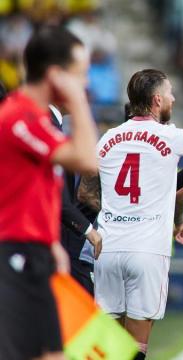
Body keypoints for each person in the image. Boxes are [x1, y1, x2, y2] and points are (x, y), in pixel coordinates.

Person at [77, 69, 183, 359]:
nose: (173, 98)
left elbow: (85, 193)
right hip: (146, 250)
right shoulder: (169, 135)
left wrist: (120, 210)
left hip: (108, 249)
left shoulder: (108, 138)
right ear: (157, 100)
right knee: (137, 346)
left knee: (109, 344)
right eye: (170, 93)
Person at [0, 26, 97, 360]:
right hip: (13, 252)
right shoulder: (19, 118)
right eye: (79, 75)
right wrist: (78, 100)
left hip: (37, 250)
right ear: (56, 75)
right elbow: (87, 159)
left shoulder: (34, 120)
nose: (85, 84)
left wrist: (52, 243)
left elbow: (39, 190)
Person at [50, 105, 102, 295]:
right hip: (44, 241)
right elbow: (59, 198)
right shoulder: (46, 126)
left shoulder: (54, 125)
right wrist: (89, 231)